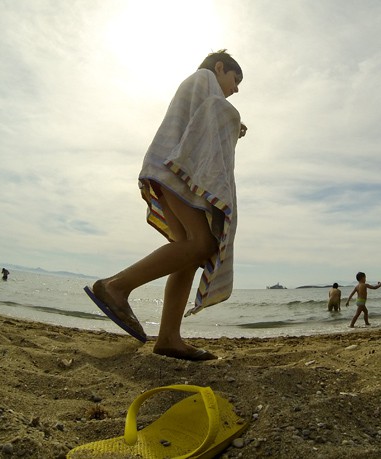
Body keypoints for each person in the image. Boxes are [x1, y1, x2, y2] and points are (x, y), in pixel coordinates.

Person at [84, 50, 247, 361]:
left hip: (165, 167)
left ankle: (169, 338)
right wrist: (234, 119)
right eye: (235, 79)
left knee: (185, 250)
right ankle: (116, 286)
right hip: (172, 168)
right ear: (220, 67)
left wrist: (232, 125)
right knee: (202, 243)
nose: (235, 88)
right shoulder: (205, 78)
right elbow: (213, 113)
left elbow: (204, 119)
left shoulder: (200, 86)